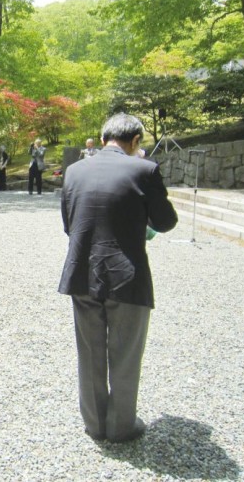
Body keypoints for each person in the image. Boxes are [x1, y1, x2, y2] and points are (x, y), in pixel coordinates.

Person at [58, 113, 178, 443]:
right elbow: (166, 222)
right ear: (136, 141)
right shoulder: (144, 169)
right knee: (124, 353)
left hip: (82, 271)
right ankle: (121, 426)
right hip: (127, 275)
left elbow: (69, 225)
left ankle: (96, 425)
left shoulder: (74, 171)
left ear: (102, 137)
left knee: (90, 353)